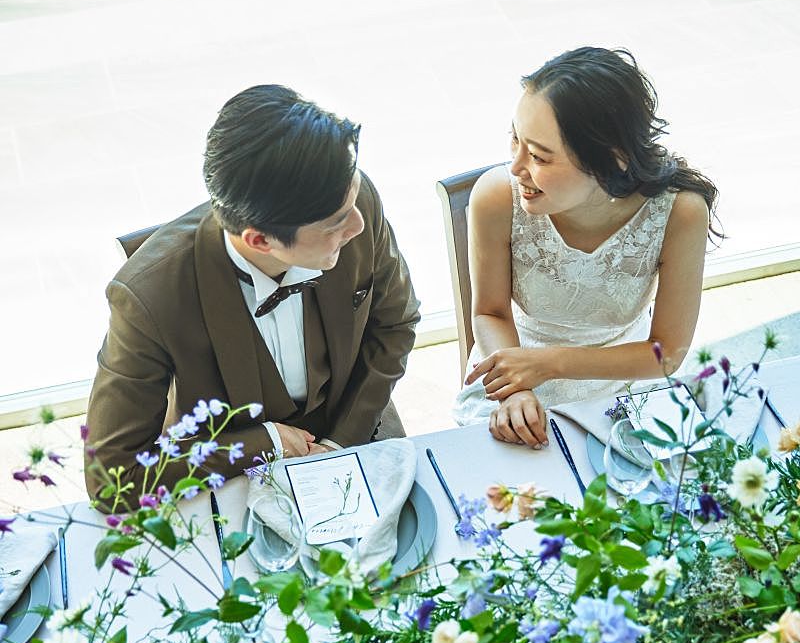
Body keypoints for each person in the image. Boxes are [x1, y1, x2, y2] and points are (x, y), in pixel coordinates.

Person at [85, 85, 419, 497]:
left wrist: (339, 443)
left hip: (360, 431)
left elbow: (395, 324)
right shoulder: (146, 297)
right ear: (260, 240)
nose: (358, 226)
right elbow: (111, 480)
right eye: (336, 223)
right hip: (230, 478)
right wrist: (264, 443)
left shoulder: (351, 197)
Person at [453, 46, 719, 448]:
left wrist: (551, 364)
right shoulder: (495, 197)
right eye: (515, 139)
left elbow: (665, 354)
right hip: (514, 363)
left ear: (612, 159)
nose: (516, 167)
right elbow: (489, 312)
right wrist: (516, 389)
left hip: (624, 376)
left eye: (539, 156)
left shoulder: (680, 213)